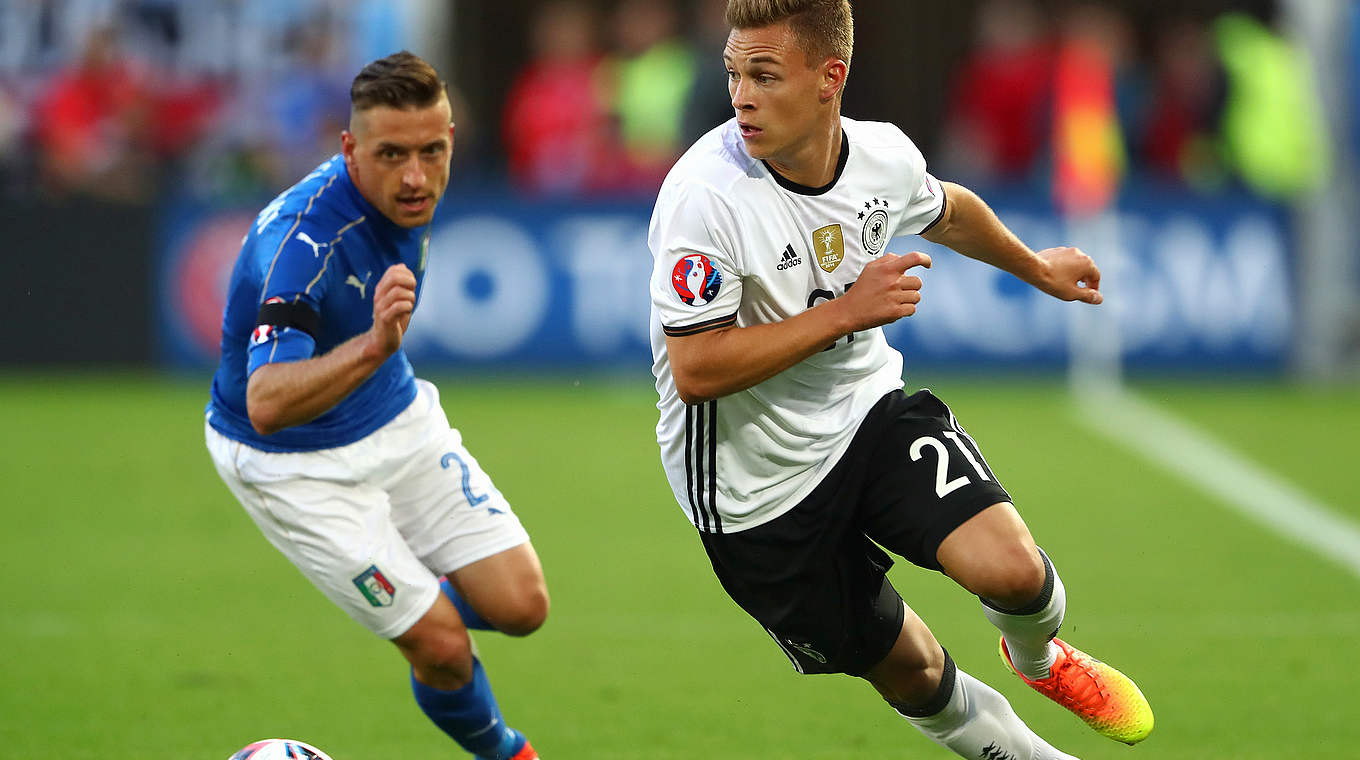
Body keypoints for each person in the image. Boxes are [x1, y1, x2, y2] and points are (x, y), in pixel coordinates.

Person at [646, 2, 1154, 758]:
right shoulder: (705, 198)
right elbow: (695, 369)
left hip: (864, 416)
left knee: (1015, 573)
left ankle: (1040, 658)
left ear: (830, 78)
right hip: (751, 493)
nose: (741, 97)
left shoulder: (881, 157)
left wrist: (1036, 266)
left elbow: (947, 211)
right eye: (733, 74)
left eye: (764, 75)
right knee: (914, 670)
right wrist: (848, 313)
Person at [204, 52, 545, 760]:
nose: (416, 176)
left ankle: (408, 602)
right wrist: (372, 347)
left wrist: (377, 357)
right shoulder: (303, 245)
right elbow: (266, 402)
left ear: (452, 137)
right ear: (350, 150)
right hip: (292, 466)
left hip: (391, 415)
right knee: (443, 648)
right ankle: (509, 751)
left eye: (433, 151)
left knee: (521, 606)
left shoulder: (407, 193)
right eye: (392, 155)